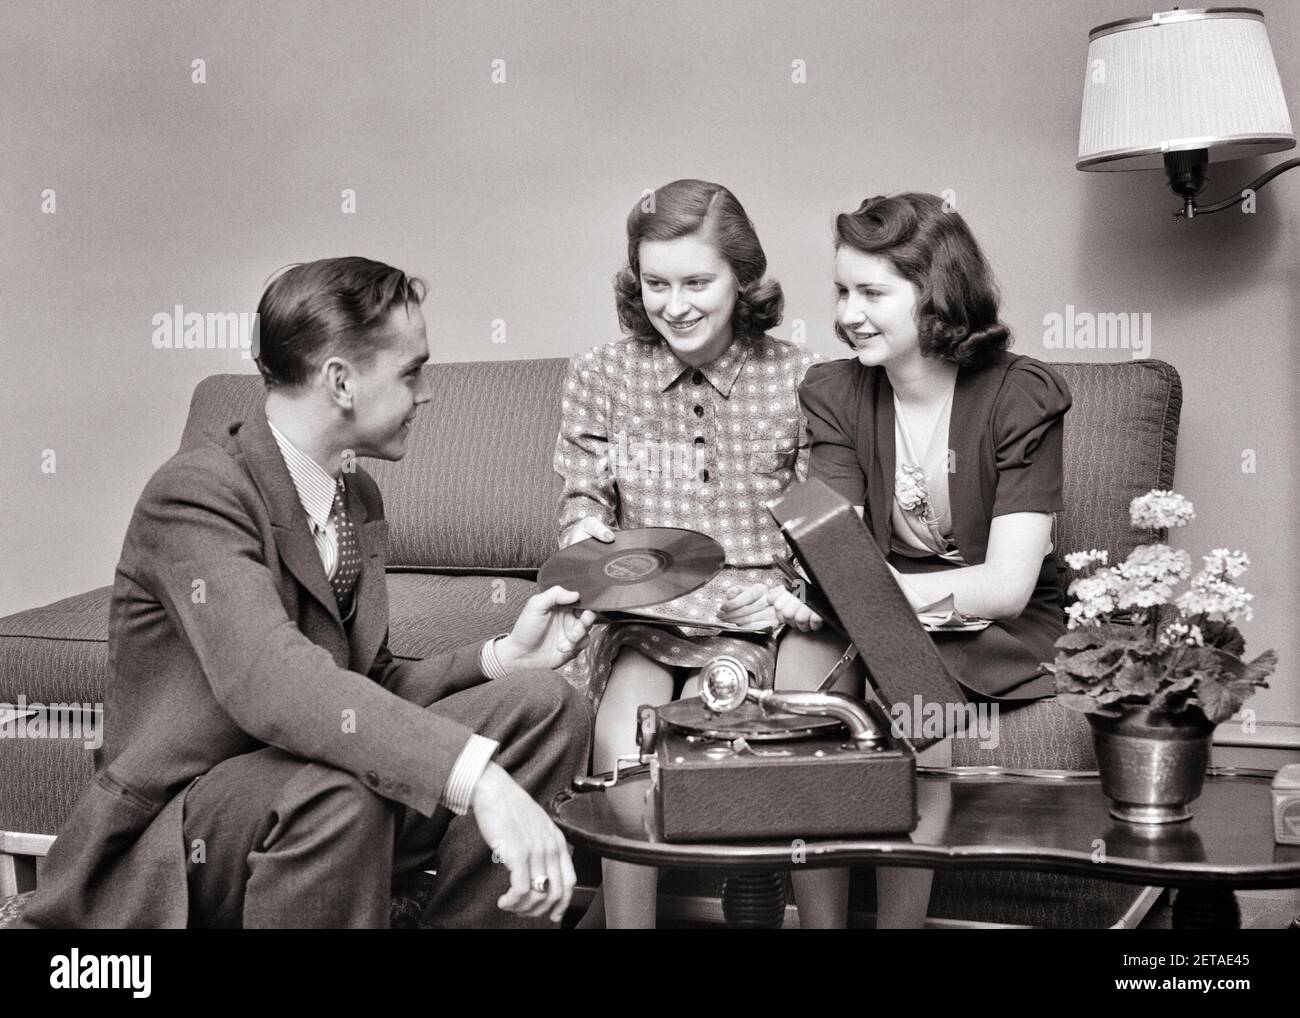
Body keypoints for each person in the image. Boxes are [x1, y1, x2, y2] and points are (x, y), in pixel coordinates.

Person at [19, 257, 596, 929]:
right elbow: (275, 684)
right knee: (337, 793)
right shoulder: (198, 491)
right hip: (189, 824)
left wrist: (503, 657)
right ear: (341, 381)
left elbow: (357, 685)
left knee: (546, 705)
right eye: (412, 371)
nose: (427, 392)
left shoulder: (355, 494)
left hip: (306, 776)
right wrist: (478, 777)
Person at [770, 193, 1072, 927]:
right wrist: (822, 592)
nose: (848, 313)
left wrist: (874, 600)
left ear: (936, 295)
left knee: (914, 689)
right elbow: (835, 539)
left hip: (981, 617)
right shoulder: (835, 391)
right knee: (799, 670)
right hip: (871, 596)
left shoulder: (1021, 394)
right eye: (843, 291)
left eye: (873, 293)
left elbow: (1004, 585)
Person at [553, 179, 818, 928]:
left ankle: (754, 896)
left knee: (723, 729)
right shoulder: (601, 374)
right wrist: (587, 544)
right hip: (644, 608)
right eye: (656, 283)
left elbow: (819, 522)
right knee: (622, 727)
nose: (676, 305)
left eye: (698, 281)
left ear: (743, 278)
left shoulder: (800, 377)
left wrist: (780, 595)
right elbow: (582, 497)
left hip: (754, 615)